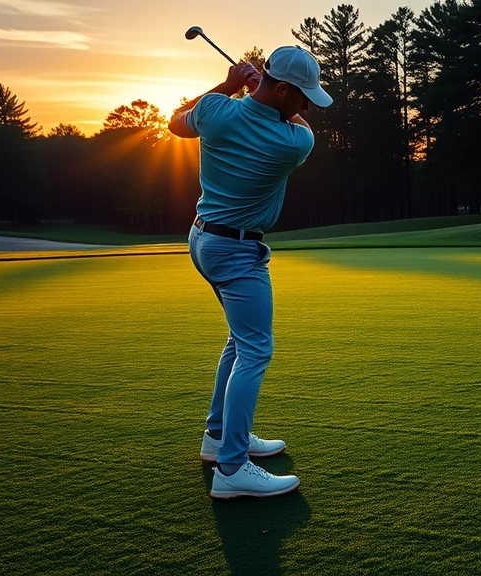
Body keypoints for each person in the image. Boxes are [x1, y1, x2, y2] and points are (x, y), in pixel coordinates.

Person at [169, 46, 332, 499]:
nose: (305, 106)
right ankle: (232, 468)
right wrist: (257, 91)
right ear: (281, 88)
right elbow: (298, 123)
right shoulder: (294, 142)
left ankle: (218, 438)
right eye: (302, 96)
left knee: (238, 342)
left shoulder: (217, 111)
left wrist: (230, 85)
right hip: (237, 252)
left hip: (203, 239)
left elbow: (177, 121)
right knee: (256, 351)